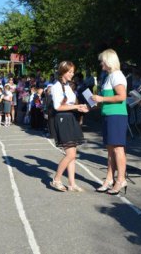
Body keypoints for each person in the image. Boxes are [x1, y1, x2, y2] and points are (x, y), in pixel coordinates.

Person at [91, 49, 128, 195]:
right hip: (108, 115)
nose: (100, 64)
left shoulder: (117, 75)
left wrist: (101, 99)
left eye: (102, 61)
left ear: (108, 61)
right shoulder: (109, 76)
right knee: (110, 149)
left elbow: (121, 96)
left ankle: (120, 179)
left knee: (118, 149)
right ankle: (109, 178)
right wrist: (92, 104)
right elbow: (106, 99)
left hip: (117, 115)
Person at [50, 61, 89, 192]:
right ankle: (56, 179)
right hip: (62, 119)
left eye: (73, 71)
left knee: (73, 154)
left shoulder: (67, 86)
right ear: (63, 72)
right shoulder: (57, 86)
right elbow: (57, 107)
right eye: (70, 72)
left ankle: (72, 184)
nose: (72, 74)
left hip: (70, 118)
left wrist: (80, 108)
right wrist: (76, 106)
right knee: (70, 154)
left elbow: (71, 103)